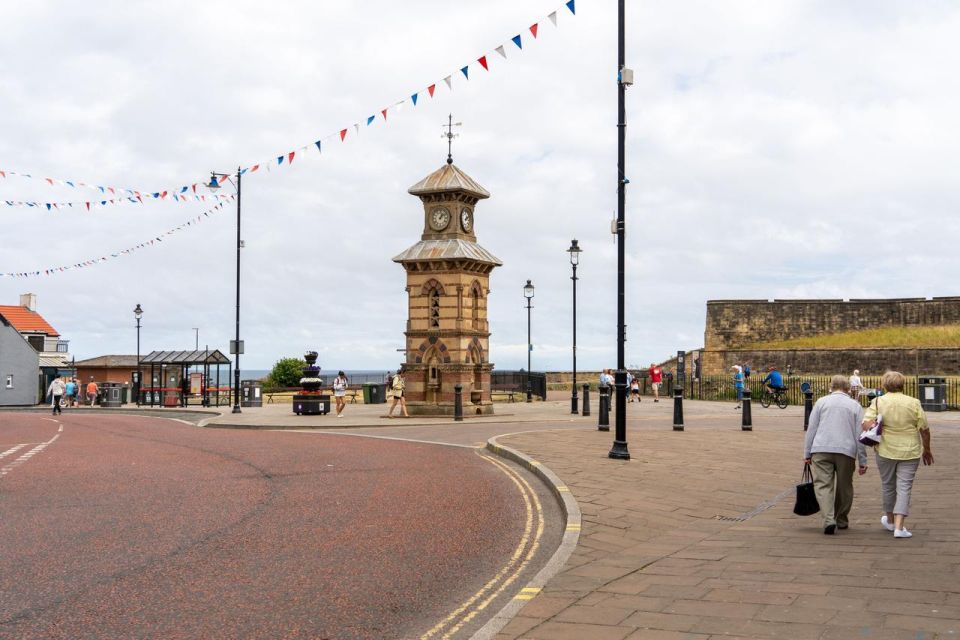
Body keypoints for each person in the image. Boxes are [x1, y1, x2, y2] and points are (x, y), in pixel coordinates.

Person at [863, 371, 934, 539]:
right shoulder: (914, 402)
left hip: (885, 449)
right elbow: (924, 429)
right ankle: (899, 526)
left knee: (888, 485)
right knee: (904, 487)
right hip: (910, 450)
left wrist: (877, 423)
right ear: (903, 384)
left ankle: (889, 519)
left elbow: (866, 424)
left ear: (884, 385)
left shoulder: (878, 401)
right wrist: (927, 449)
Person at [803, 375, 868, 534]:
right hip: (846, 450)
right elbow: (860, 434)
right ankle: (841, 519)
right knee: (844, 486)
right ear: (848, 388)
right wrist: (862, 460)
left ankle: (828, 520)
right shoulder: (855, 406)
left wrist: (807, 453)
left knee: (823, 485)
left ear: (831, 387)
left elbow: (811, 428)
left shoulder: (821, 402)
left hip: (821, 448)